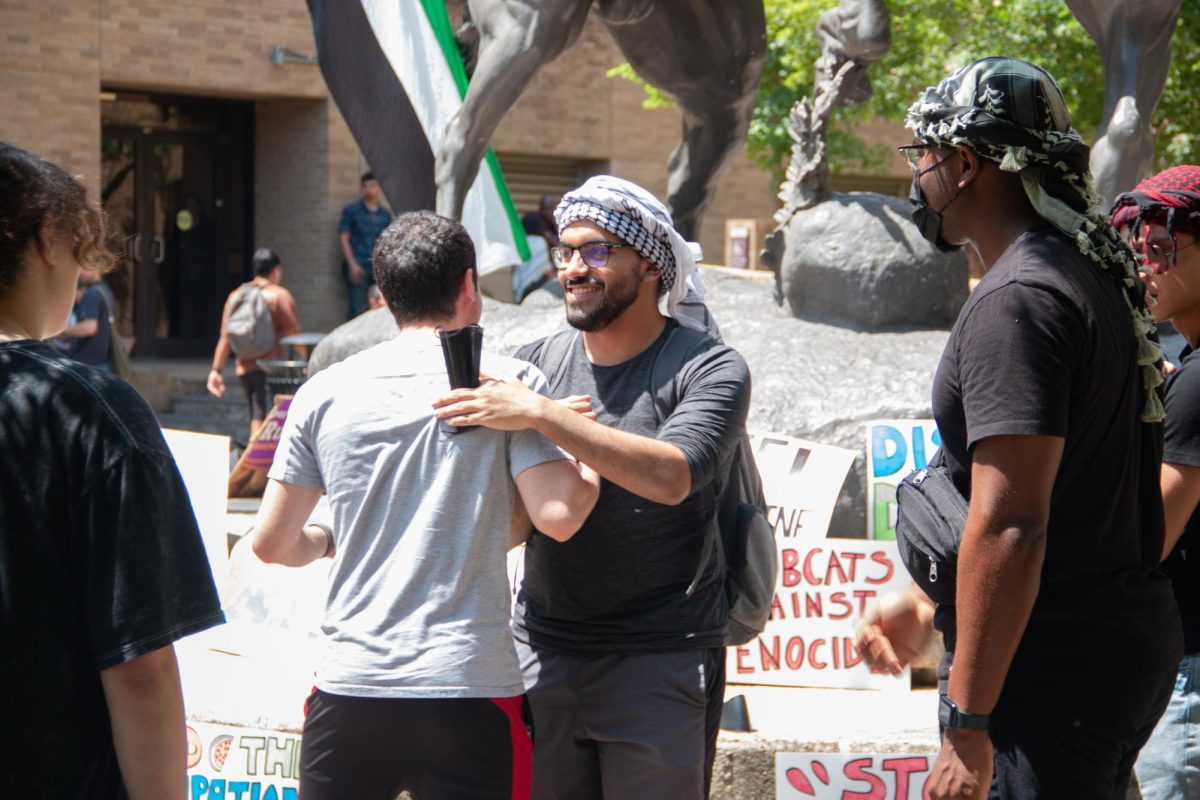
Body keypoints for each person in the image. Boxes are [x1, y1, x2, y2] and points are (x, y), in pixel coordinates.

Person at [862, 57, 1181, 799]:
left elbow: (1012, 524)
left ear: (966, 163)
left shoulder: (1020, 300)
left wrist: (967, 723)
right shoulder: (1079, 271)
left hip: (1052, 671)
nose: (920, 177)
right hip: (1100, 656)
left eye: (926, 155)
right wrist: (921, 604)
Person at [251, 210, 600, 799]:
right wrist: (585, 450)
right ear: (469, 284)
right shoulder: (511, 385)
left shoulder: (323, 391)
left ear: (384, 296)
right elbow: (558, 517)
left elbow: (271, 543)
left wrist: (333, 534)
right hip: (470, 686)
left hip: (350, 686)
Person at [434, 175, 751, 799]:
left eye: (598, 251)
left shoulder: (709, 367)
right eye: (566, 252)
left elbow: (673, 474)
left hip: (662, 658)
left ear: (652, 266)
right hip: (541, 652)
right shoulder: (535, 365)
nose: (575, 268)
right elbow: (511, 514)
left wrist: (542, 414)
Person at [0, 143, 224, 797]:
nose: (81, 278)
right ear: (48, 238)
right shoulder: (89, 409)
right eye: (80, 254)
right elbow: (141, 667)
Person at [1111, 166, 1200, 800]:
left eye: (1163, 247)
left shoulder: (1196, 383)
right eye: (1137, 246)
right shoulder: (1187, 370)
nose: (1145, 264)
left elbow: (1147, 541)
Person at [206, 247, 302, 442]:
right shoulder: (279, 296)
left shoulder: (236, 295)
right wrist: (308, 361)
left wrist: (216, 370)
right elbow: (294, 334)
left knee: (256, 414)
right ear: (276, 270)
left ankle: (255, 458)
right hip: (271, 368)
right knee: (264, 419)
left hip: (244, 367)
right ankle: (256, 464)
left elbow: (226, 336)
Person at [338, 171, 392, 318]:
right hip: (358, 264)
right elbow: (344, 237)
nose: (369, 190)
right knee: (356, 308)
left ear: (378, 187)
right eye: (366, 186)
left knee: (382, 305)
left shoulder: (384, 214)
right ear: (362, 188)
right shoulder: (352, 211)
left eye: (372, 186)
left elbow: (388, 241)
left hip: (377, 265)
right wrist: (352, 264)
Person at [61, 268, 117, 370]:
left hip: (89, 364)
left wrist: (62, 332)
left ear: (98, 267)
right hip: (102, 363)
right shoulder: (105, 290)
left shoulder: (92, 293)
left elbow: (90, 328)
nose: (80, 272)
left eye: (85, 268)